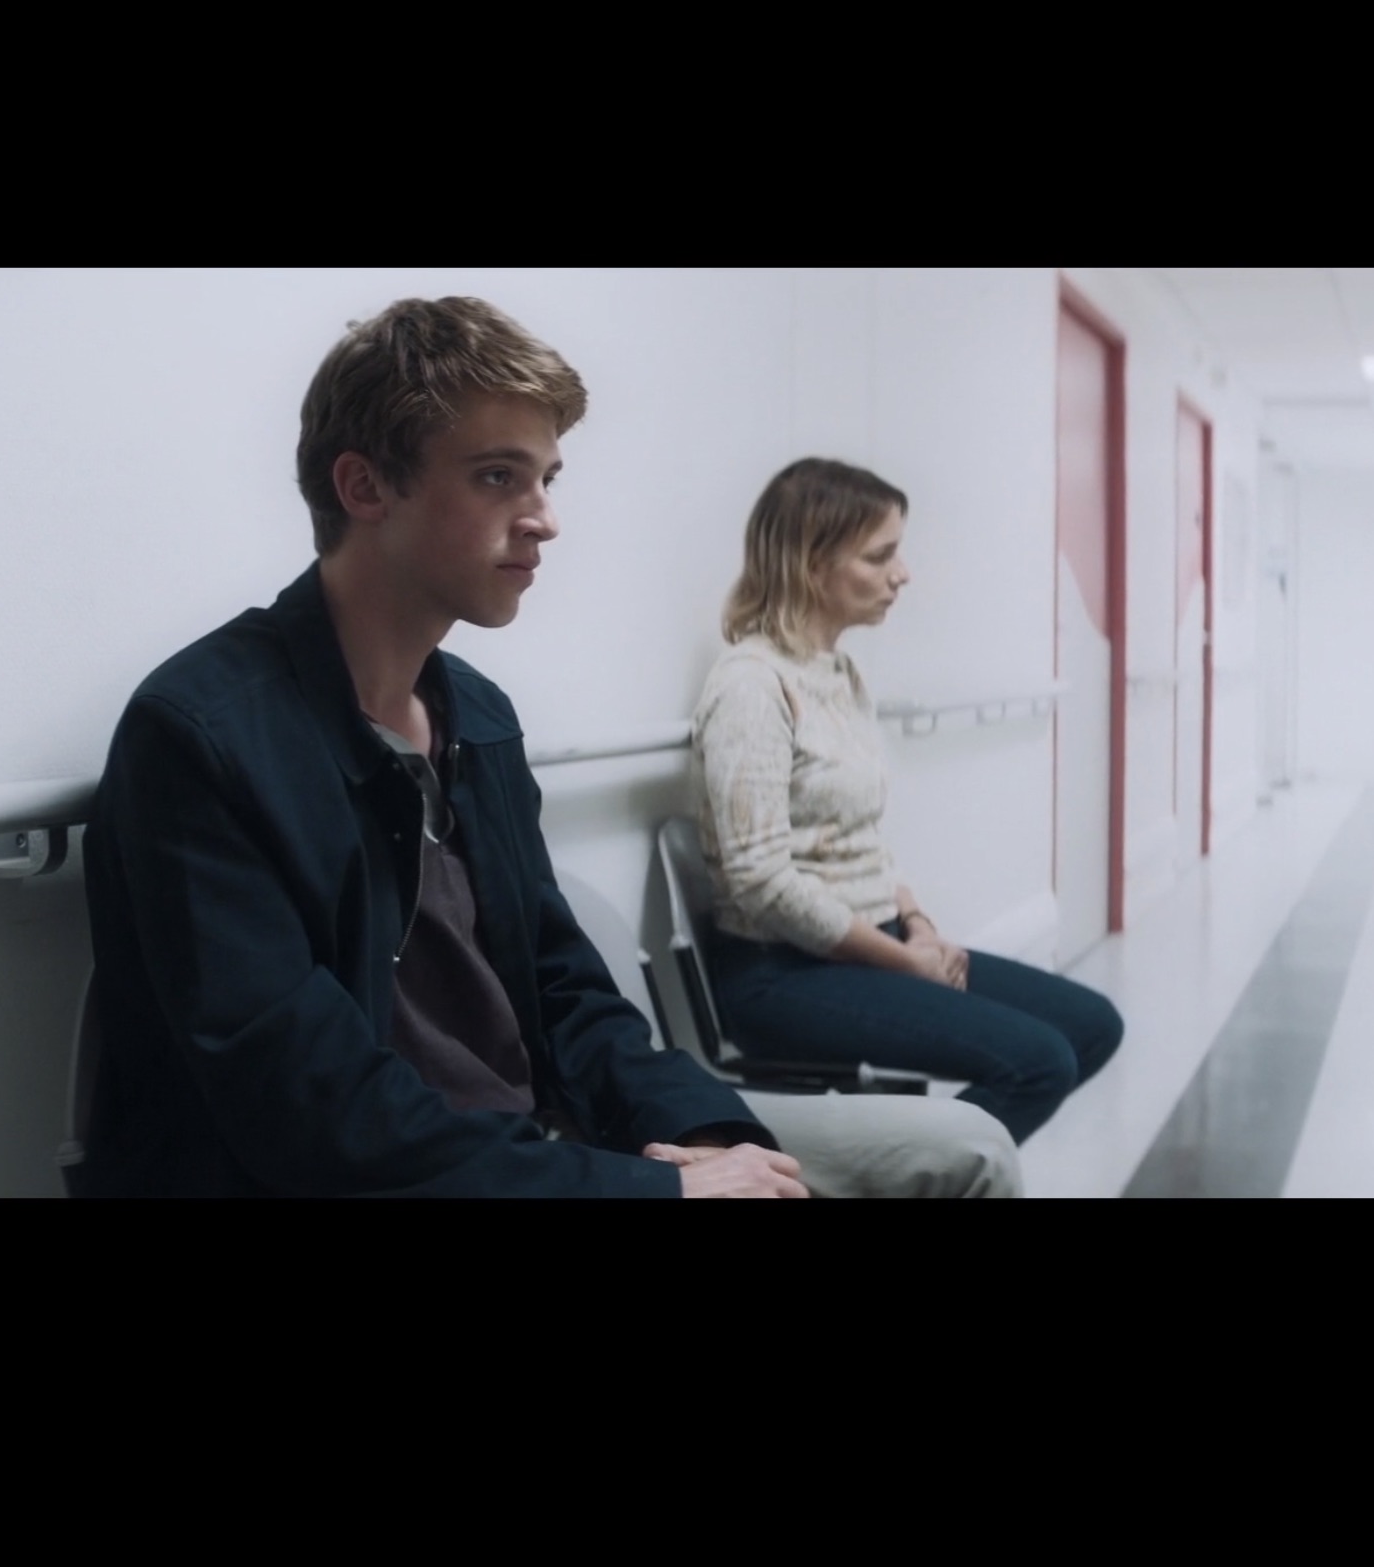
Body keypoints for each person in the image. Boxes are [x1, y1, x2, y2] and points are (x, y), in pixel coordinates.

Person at [75, 298, 1019, 1198]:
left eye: (547, 479)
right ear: (363, 487)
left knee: (964, 1152)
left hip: (542, 1138)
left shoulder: (478, 716)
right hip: (385, 1174)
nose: (544, 518)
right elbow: (312, 1111)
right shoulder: (202, 738)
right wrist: (649, 1187)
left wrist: (704, 1138)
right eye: (498, 476)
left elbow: (567, 992)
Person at [692, 458, 1125, 1145]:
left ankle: (909, 1173)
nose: (903, 574)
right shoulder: (750, 686)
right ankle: (907, 1175)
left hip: (872, 940)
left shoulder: (840, 673)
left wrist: (918, 924)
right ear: (810, 564)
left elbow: (858, 834)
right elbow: (761, 880)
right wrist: (901, 962)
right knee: (1039, 1063)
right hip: (781, 973)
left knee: (1093, 1026)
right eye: (880, 556)